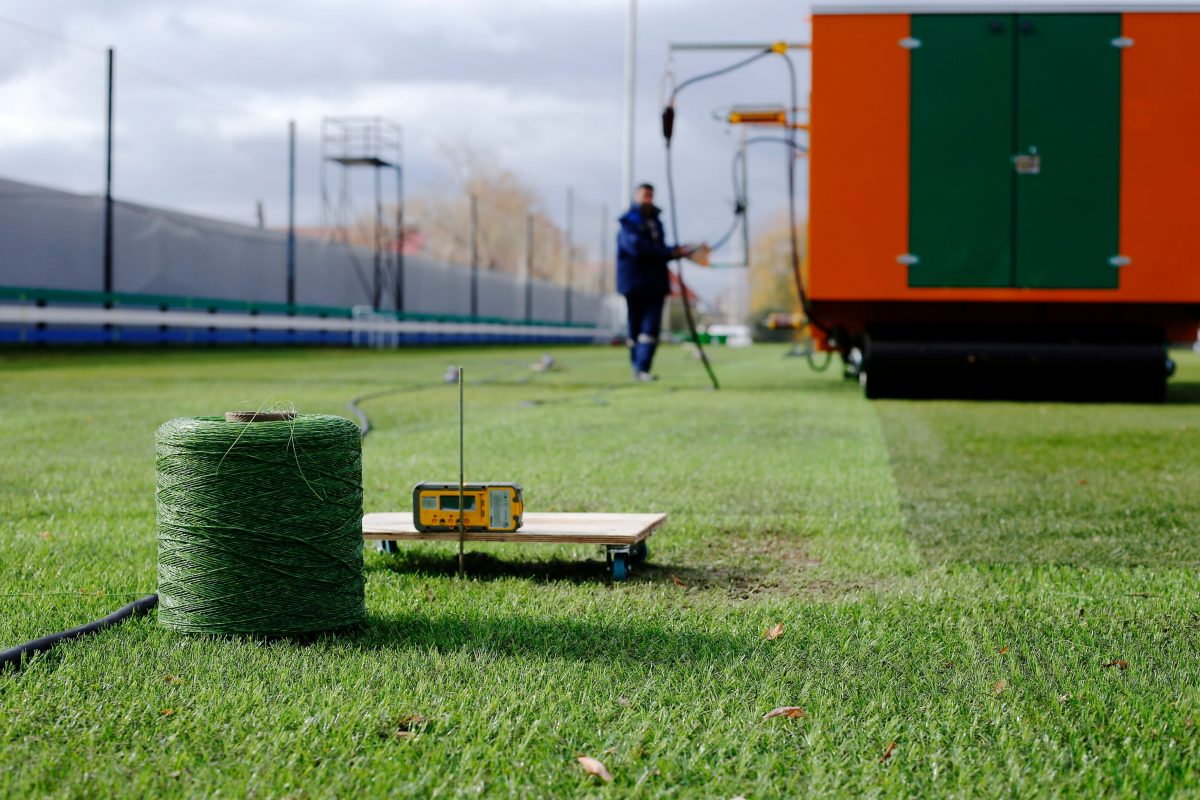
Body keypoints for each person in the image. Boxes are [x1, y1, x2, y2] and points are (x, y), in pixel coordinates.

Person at [616, 183, 690, 382]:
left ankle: (642, 369)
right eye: (644, 195)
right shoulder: (628, 222)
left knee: (650, 328)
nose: (648, 199)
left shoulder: (656, 222)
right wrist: (671, 252)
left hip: (655, 284)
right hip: (634, 283)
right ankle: (637, 367)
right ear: (636, 196)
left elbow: (659, 250)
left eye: (651, 195)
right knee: (635, 328)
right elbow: (638, 248)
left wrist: (677, 252)